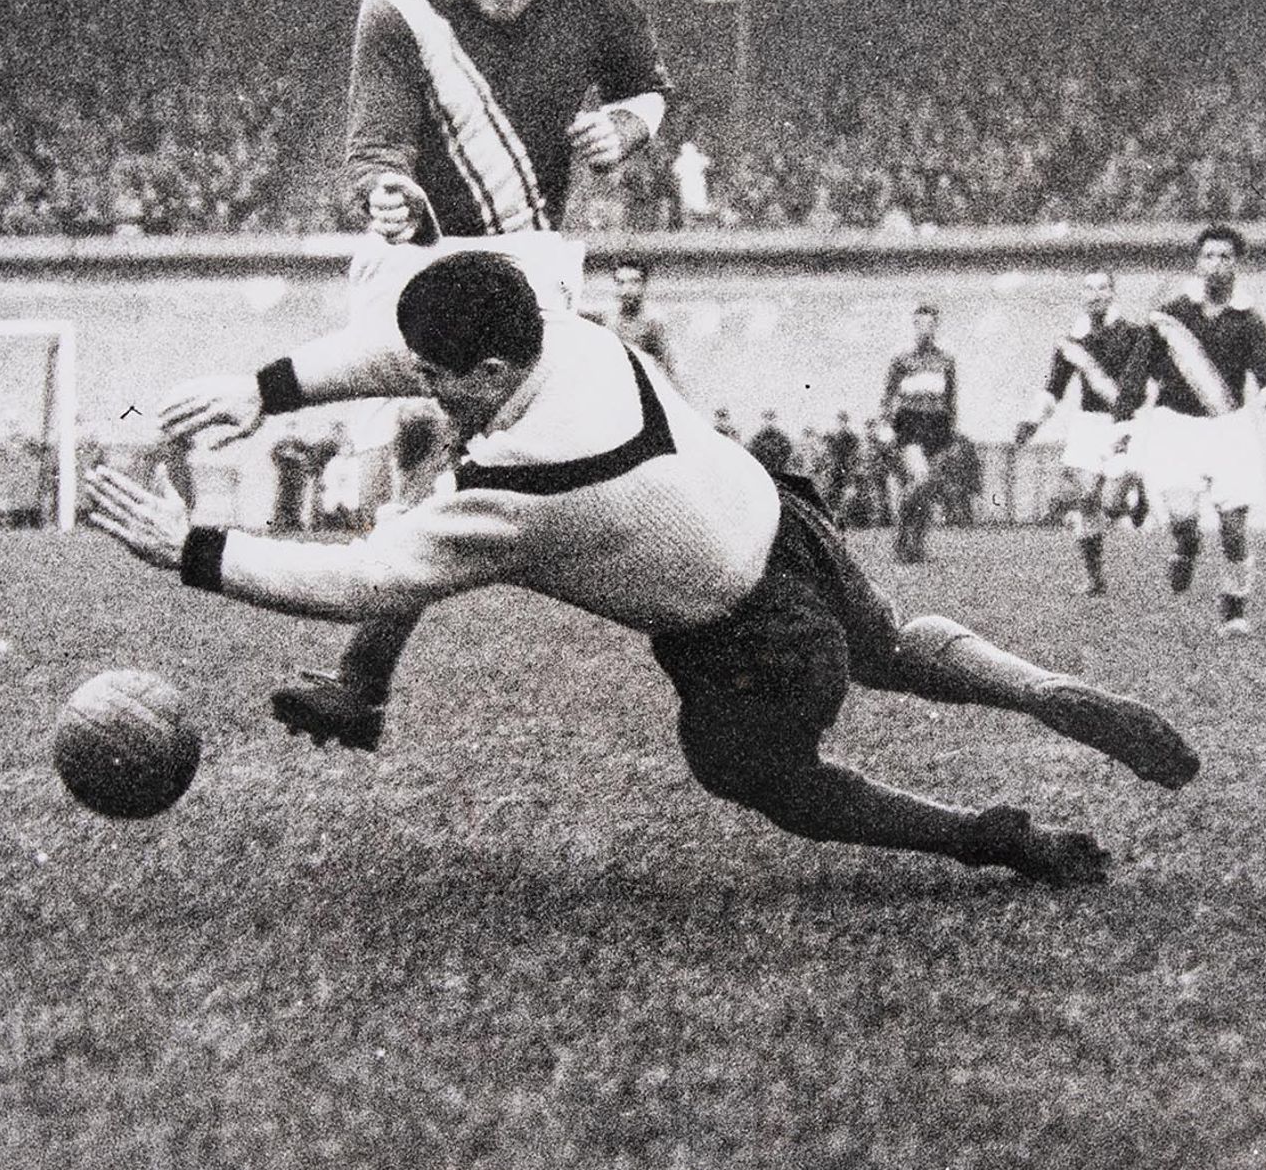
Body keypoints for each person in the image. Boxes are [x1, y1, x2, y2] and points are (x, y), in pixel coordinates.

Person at [88, 255, 1199, 887]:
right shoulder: (556, 329)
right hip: (778, 517)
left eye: (445, 382)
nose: (425, 392)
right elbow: (399, 343)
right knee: (896, 647)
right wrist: (262, 389)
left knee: (754, 774)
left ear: (490, 367)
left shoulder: (524, 486)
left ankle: (989, 837)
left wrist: (178, 545)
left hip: (744, 637)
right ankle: (1038, 690)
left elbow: (365, 581)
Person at [161, 0, 672, 752]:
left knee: (449, 456)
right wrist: (385, 193)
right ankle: (365, 673)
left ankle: (362, 677)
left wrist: (628, 125)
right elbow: (371, 150)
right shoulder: (399, 9)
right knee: (420, 461)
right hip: (419, 254)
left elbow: (650, 88)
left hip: (527, 263)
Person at [1113, 226, 1266, 635]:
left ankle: (1234, 608)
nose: (1216, 264)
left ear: (1237, 265)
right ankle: (1186, 548)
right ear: (1197, 263)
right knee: (1183, 518)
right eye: (1209, 256)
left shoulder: (1248, 320)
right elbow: (1137, 371)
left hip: (1228, 428)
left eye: (1225, 257)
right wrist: (1123, 421)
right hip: (1176, 428)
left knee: (1232, 526)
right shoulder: (1171, 315)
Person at [1013, 270, 1149, 595]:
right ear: (1082, 295)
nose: (1095, 294)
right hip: (1088, 424)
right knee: (1086, 500)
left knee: (1112, 504)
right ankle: (1094, 578)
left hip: (1121, 422)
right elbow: (1054, 389)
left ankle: (1136, 490)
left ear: (1112, 293)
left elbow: (1137, 389)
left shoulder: (1132, 334)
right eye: (1089, 288)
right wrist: (1032, 421)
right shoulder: (1072, 341)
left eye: (1102, 287)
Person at [880, 303, 959, 563]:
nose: (926, 329)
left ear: (936, 326)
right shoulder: (901, 360)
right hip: (910, 424)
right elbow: (888, 396)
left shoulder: (946, 360)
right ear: (914, 326)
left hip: (937, 426)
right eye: (920, 324)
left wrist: (952, 433)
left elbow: (951, 399)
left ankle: (918, 545)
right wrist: (885, 426)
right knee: (920, 480)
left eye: (930, 324)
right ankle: (903, 534)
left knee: (928, 489)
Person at [589, 258, 676, 382]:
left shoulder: (652, 322)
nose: (627, 289)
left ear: (644, 285)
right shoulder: (607, 320)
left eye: (633, 282)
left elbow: (666, 365)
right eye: (621, 283)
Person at [745, 410, 795, 476]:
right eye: (767, 419)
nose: (769, 422)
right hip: (761, 472)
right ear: (764, 421)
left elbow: (788, 454)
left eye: (772, 419)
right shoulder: (757, 438)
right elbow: (751, 455)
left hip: (779, 473)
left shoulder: (782, 438)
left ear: (775, 421)